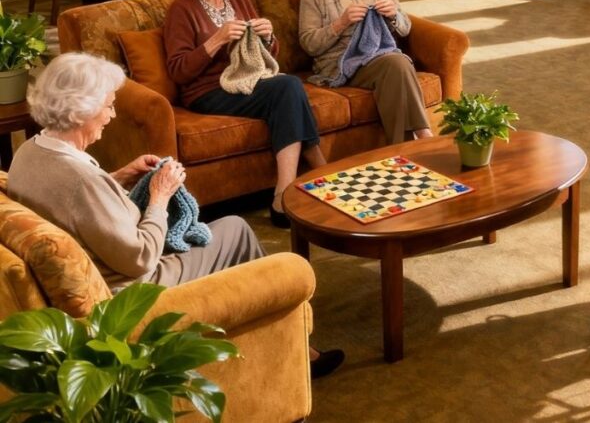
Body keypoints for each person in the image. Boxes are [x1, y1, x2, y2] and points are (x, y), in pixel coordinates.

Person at [7, 52, 344, 378]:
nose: (111, 115)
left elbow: (74, 205)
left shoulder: (29, 152)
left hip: (104, 266)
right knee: (235, 230)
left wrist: (119, 178)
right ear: (82, 111)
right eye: (109, 105)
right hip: (131, 291)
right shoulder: (80, 181)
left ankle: (262, 337)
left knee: (226, 231)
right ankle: (295, 350)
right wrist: (159, 197)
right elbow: (139, 258)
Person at [163, 0, 326, 229]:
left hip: (249, 80)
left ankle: (284, 195)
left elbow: (266, 55)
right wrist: (215, 41)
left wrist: (268, 36)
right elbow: (179, 71)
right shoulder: (182, 9)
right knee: (288, 87)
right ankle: (304, 180)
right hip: (208, 90)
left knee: (287, 90)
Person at [298, 0, 433, 145]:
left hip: (378, 54)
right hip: (339, 62)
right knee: (398, 63)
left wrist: (393, 15)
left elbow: (405, 28)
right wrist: (340, 23)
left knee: (396, 64)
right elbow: (309, 43)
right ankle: (423, 136)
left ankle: (405, 146)